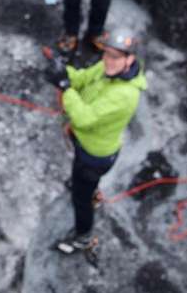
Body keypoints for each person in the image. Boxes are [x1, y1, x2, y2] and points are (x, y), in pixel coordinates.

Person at [45, 30, 147, 255]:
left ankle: (83, 237)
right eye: (107, 54)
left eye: (116, 57)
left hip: (94, 156)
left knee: (80, 199)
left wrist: (64, 87)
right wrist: (63, 73)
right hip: (86, 144)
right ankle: (91, 191)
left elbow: (85, 118)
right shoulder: (107, 68)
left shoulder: (125, 94)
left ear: (129, 60)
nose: (108, 61)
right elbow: (81, 80)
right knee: (81, 182)